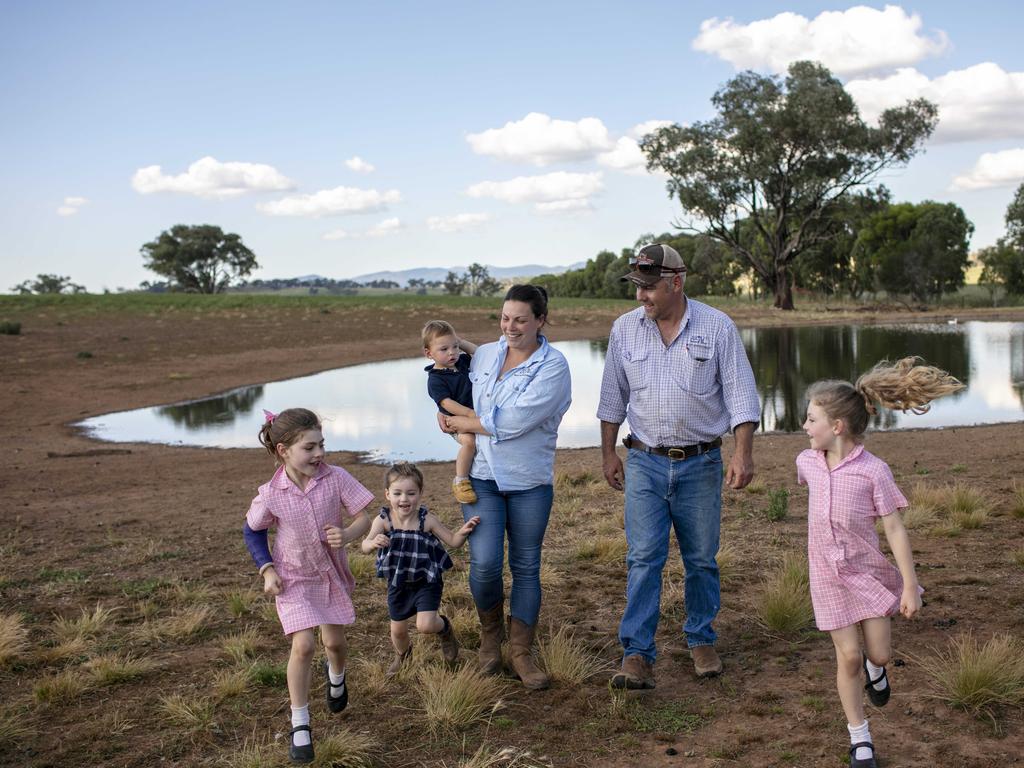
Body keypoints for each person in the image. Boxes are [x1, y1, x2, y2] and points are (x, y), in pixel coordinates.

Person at [597, 243, 760, 688]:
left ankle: (701, 637)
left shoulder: (717, 327)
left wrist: (742, 453)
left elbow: (742, 396)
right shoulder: (624, 330)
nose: (641, 297)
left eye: (649, 288)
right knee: (643, 558)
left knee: (702, 559)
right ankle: (637, 653)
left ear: (676, 282)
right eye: (637, 287)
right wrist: (609, 452)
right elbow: (613, 397)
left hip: (701, 461)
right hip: (644, 462)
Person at [797, 358, 963, 768]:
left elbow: (894, 529)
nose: (804, 425)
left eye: (811, 418)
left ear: (837, 426)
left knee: (879, 654)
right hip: (826, 576)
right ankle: (860, 738)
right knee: (848, 657)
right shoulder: (806, 464)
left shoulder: (874, 472)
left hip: (867, 574)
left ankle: (878, 669)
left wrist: (909, 586)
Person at [441, 284, 571, 690]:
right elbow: (457, 390)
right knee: (483, 562)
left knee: (527, 567)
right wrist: (450, 419)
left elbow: (512, 423)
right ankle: (489, 639)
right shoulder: (485, 355)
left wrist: (463, 423)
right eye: (504, 318)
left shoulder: (553, 366)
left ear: (540, 321)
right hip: (482, 477)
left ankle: (521, 653)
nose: (510, 327)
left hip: (529, 482)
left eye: (520, 319)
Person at [242, 408, 374, 764]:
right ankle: (300, 723)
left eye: (321, 445)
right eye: (309, 447)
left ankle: (337, 675)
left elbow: (364, 516)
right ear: (283, 450)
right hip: (293, 577)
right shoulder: (271, 493)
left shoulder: (336, 477)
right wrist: (267, 570)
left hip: (330, 573)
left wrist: (347, 534)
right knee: (303, 646)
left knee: (334, 642)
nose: (319, 454)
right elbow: (252, 530)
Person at [361, 461, 480, 676]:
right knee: (397, 631)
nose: (404, 499)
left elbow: (453, 541)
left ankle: (444, 629)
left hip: (426, 582)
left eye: (411, 493)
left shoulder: (427, 521)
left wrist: (463, 531)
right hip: (398, 583)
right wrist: (373, 542)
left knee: (425, 625)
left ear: (420, 493)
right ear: (387, 494)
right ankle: (403, 656)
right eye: (397, 493)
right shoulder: (384, 521)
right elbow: (364, 546)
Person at [422, 320, 479, 504]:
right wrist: (469, 414)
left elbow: (478, 352)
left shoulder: (461, 362)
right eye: (444, 349)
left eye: (455, 347)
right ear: (429, 353)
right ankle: (461, 480)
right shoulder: (436, 379)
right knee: (469, 442)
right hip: (456, 421)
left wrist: (460, 342)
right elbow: (447, 403)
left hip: (473, 416)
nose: (452, 352)